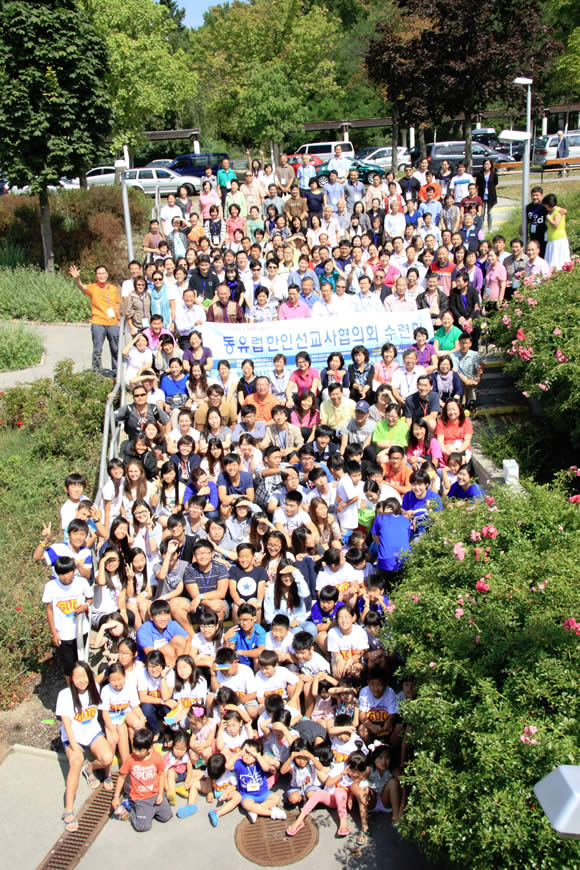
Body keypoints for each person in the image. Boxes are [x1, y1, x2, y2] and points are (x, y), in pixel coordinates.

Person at [56, 662, 114, 832]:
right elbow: (67, 724)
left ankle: (90, 768)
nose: (82, 680)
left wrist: (110, 730)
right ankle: (68, 809)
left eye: (85, 676)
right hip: (72, 737)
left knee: (107, 758)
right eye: (78, 677)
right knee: (76, 762)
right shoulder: (65, 695)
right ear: (71, 679)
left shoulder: (95, 688)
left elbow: (103, 710)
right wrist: (75, 748)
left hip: (92, 733)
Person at [68, 264, 120, 374]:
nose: (101, 276)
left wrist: (119, 320)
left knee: (115, 349)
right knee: (97, 350)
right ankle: (97, 373)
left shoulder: (113, 289)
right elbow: (82, 287)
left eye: (103, 273)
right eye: (99, 274)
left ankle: (116, 371)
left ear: (107, 274)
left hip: (112, 323)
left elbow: (117, 305)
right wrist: (77, 278)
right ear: (96, 276)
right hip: (98, 322)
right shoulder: (92, 287)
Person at [543, 193, 570, 270]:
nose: (545, 206)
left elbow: (556, 224)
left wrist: (549, 218)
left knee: (557, 261)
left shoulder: (558, 211)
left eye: (545, 204)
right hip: (551, 239)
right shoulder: (551, 212)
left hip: (558, 239)